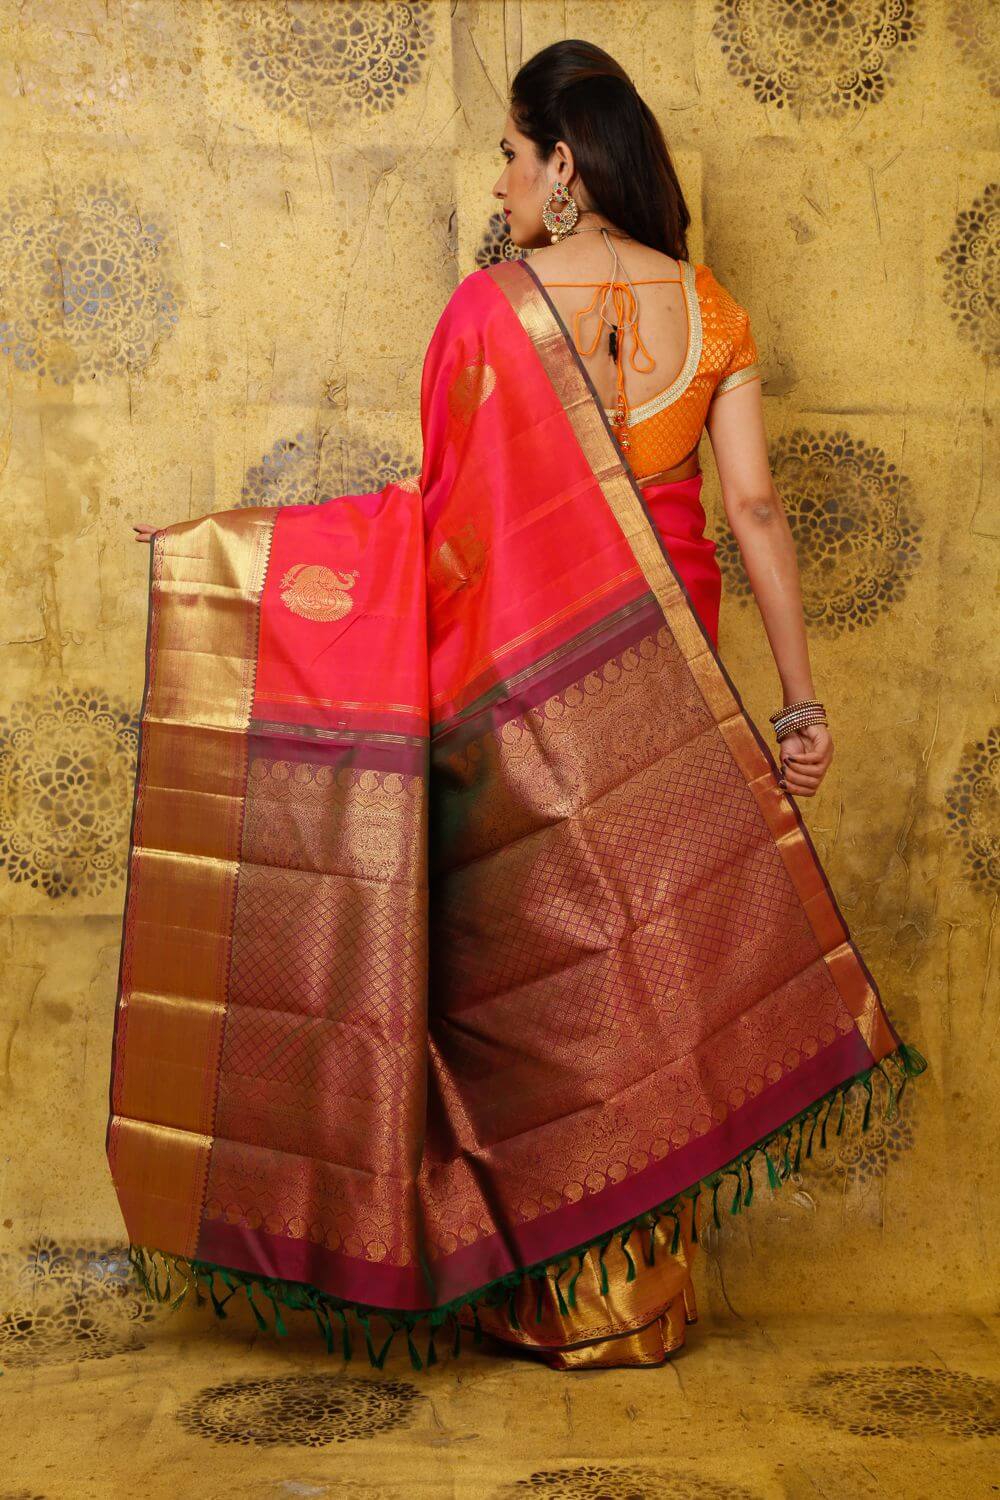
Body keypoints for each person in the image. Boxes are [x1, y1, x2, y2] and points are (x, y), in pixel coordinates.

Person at [116, 40, 926, 1373]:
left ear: (562, 161)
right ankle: (640, 1296)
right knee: (653, 971)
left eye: (508, 153)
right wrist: (798, 707)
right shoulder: (712, 309)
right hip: (685, 678)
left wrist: (243, 565)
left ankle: (566, 1290)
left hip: (535, 686)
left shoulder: (491, 311)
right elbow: (756, 511)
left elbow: (441, 527)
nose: (499, 182)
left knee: (544, 983)